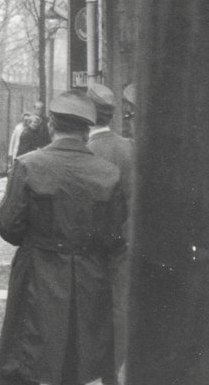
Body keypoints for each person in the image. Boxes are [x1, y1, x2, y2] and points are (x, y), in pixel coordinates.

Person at [0, 90, 126, 385]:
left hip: (37, 272)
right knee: (79, 355)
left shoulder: (28, 165)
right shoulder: (108, 173)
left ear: (52, 125)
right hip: (90, 277)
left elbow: (9, 225)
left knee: (25, 352)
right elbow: (114, 236)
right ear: (86, 130)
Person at [87, 82, 135, 382]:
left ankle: (102, 370)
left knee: (94, 312)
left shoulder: (84, 152)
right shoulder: (129, 148)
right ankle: (115, 372)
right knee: (120, 308)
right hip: (127, 242)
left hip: (91, 248)